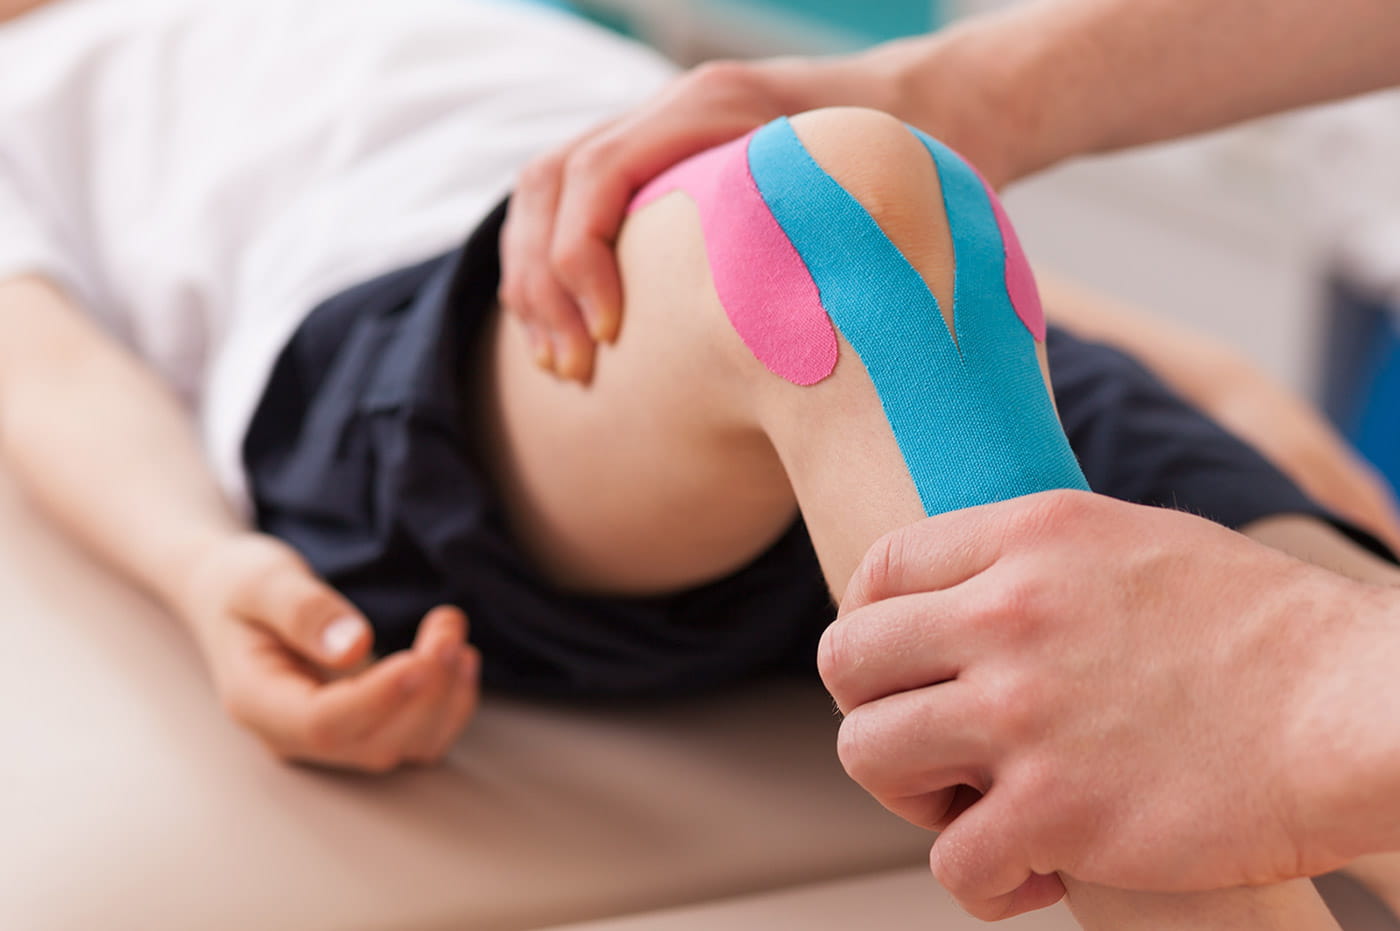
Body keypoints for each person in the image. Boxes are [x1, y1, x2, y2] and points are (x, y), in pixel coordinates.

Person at [0, 0, 1393, 929]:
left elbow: (925, 226)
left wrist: (1179, 368)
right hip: (508, 334)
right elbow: (40, 362)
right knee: (808, 204)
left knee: (1322, 597)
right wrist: (205, 565)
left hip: (864, 285)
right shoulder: (33, 71)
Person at [500, 0, 1400, 920]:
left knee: (851, 204)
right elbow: (861, 215)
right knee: (832, 198)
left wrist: (1202, 379)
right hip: (589, 315)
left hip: (936, 311)